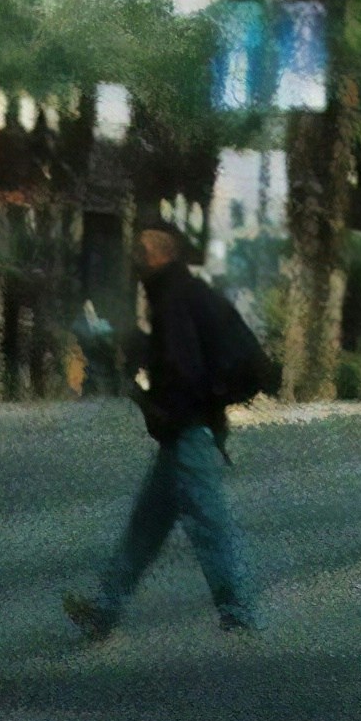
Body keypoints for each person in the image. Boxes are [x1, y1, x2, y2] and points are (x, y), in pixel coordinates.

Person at [63, 209, 270, 643]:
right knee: (145, 528)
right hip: (186, 428)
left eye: (142, 250)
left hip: (187, 429)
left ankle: (240, 616)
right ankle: (105, 610)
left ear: (162, 254)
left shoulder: (174, 298)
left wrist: (161, 404)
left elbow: (181, 365)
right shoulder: (181, 293)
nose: (135, 259)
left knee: (210, 525)